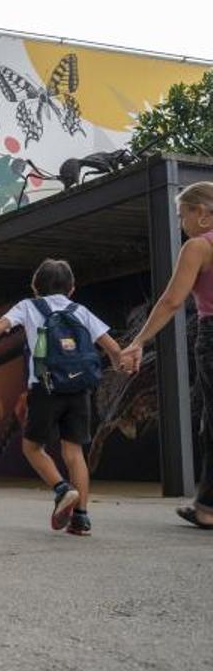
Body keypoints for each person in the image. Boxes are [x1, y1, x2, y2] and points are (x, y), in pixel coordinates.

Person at [0, 259, 120, 536]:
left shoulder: (28, 306)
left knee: (32, 448)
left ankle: (62, 489)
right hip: (79, 389)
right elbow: (112, 348)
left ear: (34, 287)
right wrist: (123, 360)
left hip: (45, 388)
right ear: (72, 288)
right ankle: (81, 518)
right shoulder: (80, 310)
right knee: (74, 453)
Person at [122, 181, 213, 530]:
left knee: (211, 423)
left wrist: (139, 340)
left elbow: (172, 301)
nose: (181, 224)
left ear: (202, 213)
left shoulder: (197, 247)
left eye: (183, 215)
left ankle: (207, 507)